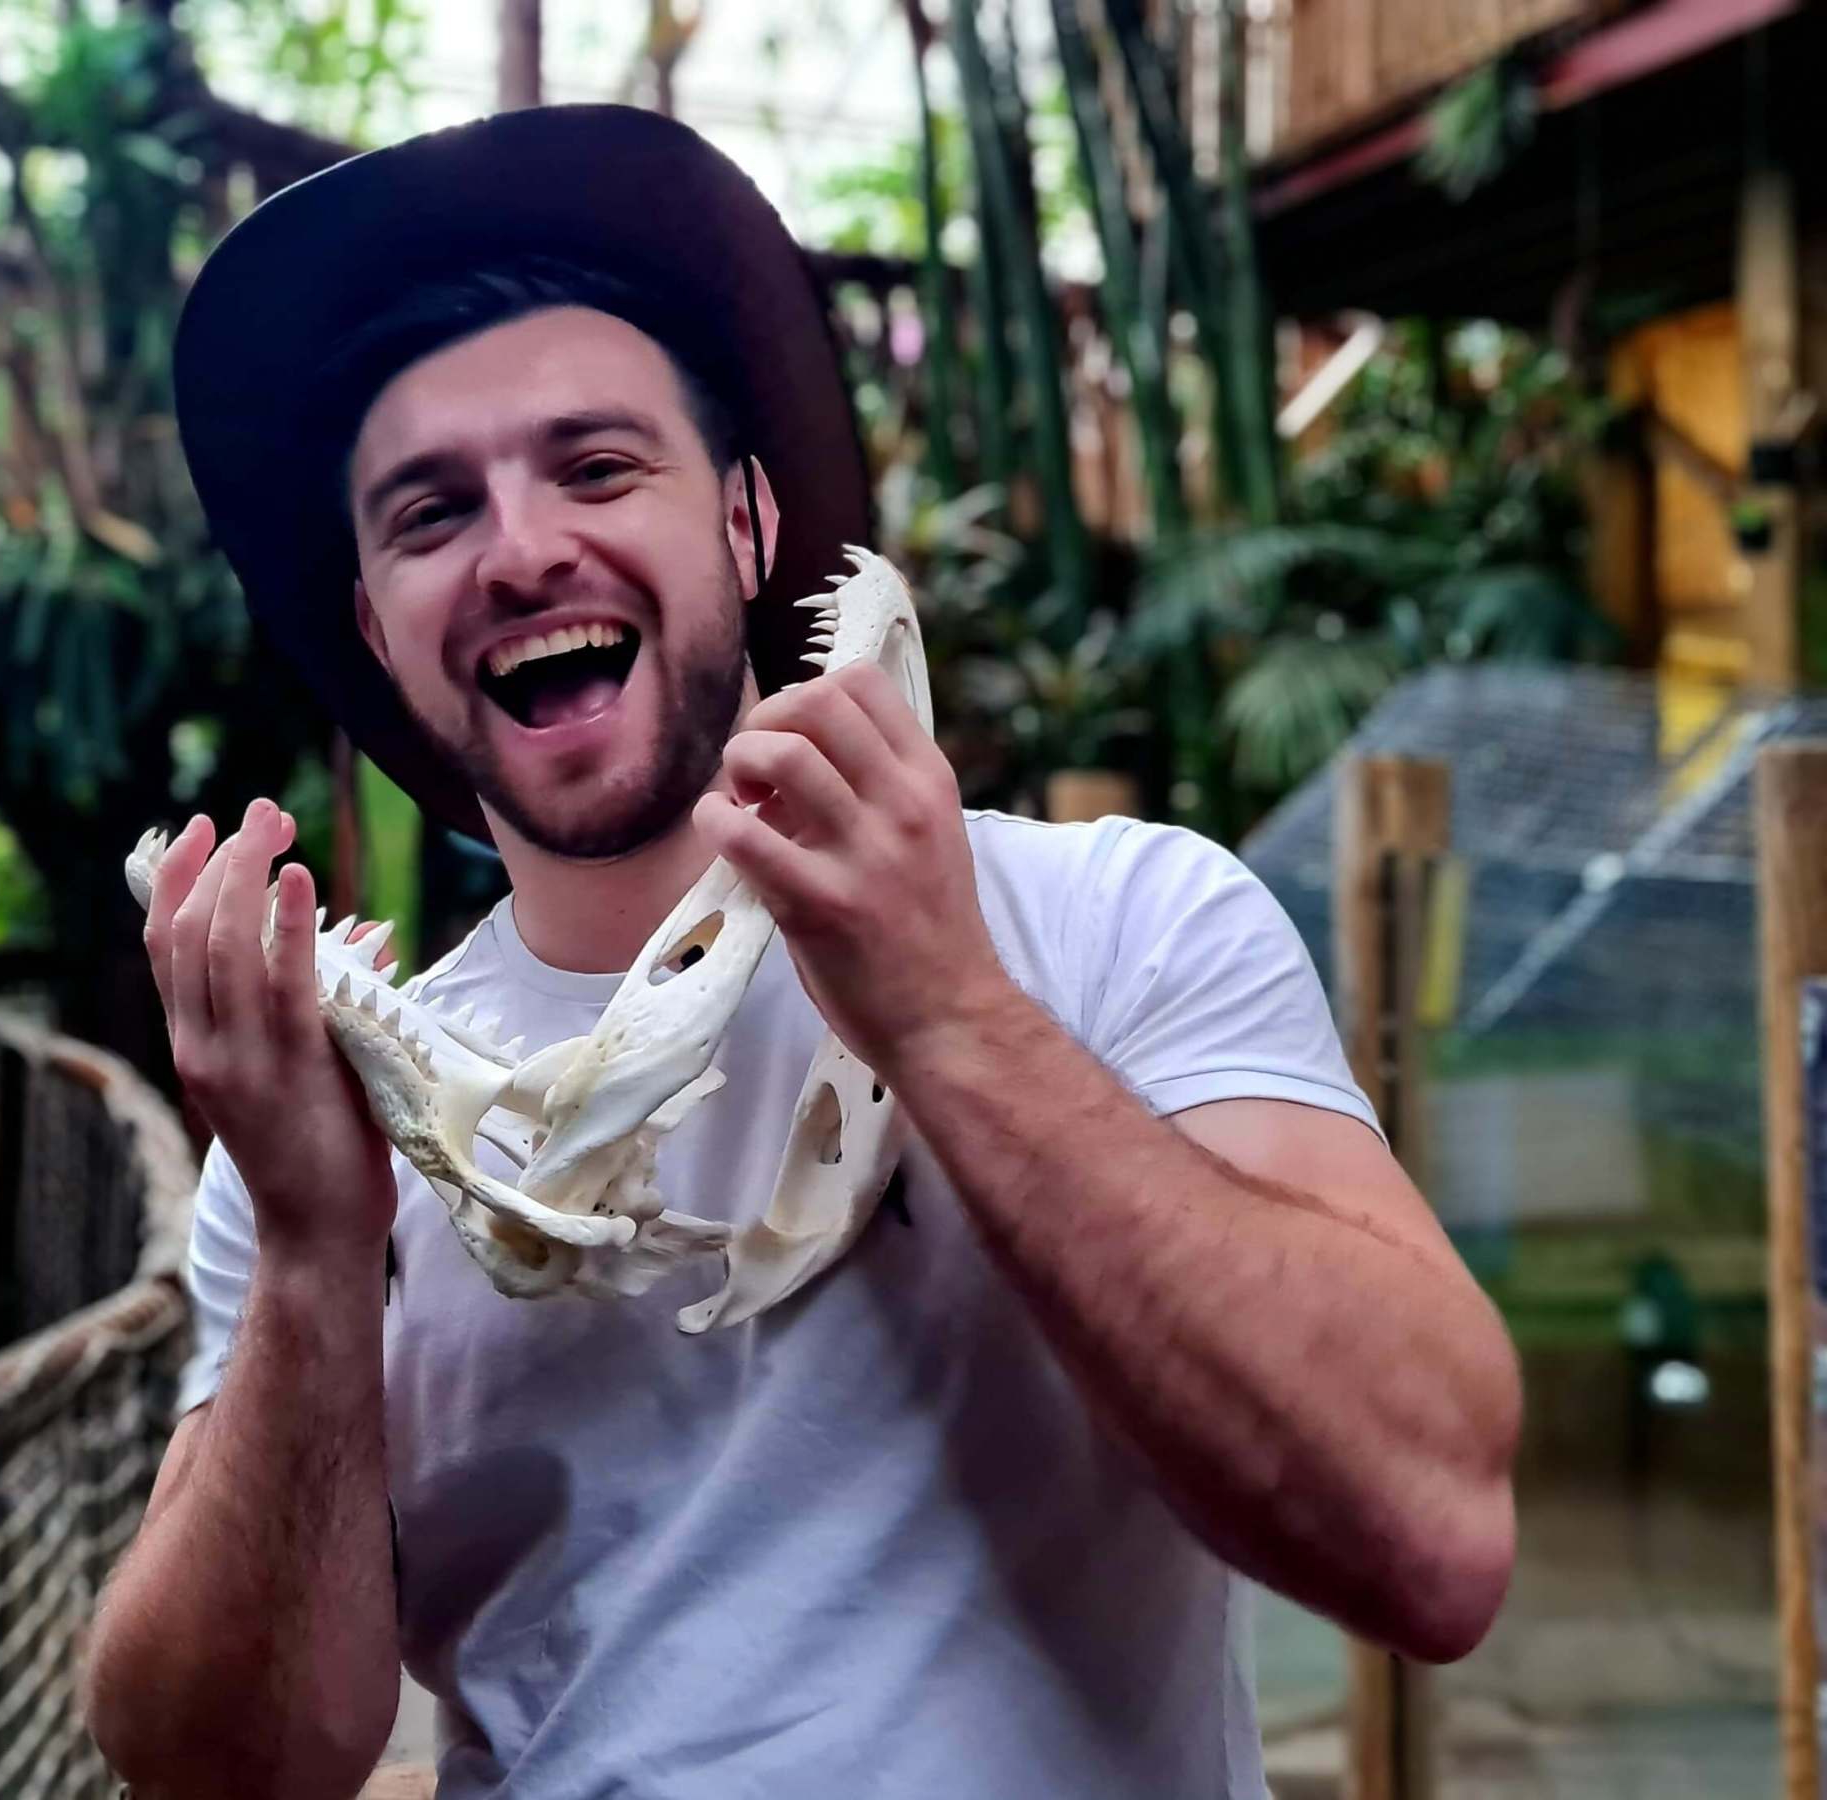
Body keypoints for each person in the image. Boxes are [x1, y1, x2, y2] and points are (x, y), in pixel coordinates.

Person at [84, 106, 1520, 1800]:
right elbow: (215, 1766)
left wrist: (950, 1013)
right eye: (428, 515)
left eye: (599, 466)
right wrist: (322, 1254)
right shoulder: (320, 1142)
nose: (524, 546)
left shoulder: (1120, 921)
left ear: (751, 526)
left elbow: (1428, 1541)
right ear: (381, 631)